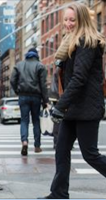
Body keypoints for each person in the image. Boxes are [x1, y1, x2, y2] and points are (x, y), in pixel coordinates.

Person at [40, 2, 106, 199]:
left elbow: (79, 78)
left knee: (90, 154)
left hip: (86, 107)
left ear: (82, 20)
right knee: (61, 150)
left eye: (72, 20)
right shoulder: (70, 41)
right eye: (66, 20)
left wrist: (60, 106)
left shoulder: (87, 42)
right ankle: (59, 193)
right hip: (73, 108)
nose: (68, 24)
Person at [10, 47, 49, 156]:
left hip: (23, 96)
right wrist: (46, 100)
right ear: (36, 55)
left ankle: (25, 142)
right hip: (36, 97)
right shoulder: (40, 66)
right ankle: (37, 146)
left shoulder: (19, 65)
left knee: (24, 120)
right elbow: (43, 85)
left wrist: (17, 91)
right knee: (36, 121)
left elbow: (12, 80)